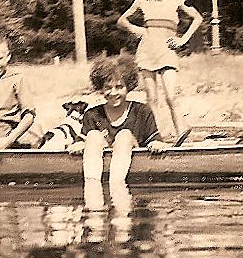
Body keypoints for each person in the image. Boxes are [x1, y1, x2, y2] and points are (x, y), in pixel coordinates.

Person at [117, 0, 203, 144]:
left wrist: (183, 39)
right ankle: (155, 137)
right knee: (151, 98)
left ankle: (182, 135)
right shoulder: (142, 1)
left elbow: (198, 18)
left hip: (168, 51)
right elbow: (121, 21)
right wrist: (136, 29)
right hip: (147, 51)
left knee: (171, 96)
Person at [68, 56, 170, 200]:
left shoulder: (141, 111)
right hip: (97, 160)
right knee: (93, 136)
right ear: (100, 89)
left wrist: (156, 144)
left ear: (128, 86)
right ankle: (92, 191)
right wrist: (78, 144)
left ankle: (117, 190)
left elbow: (154, 139)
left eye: (119, 87)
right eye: (108, 88)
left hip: (125, 158)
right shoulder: (92, 114)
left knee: (124, 135)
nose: (113, 93)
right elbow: (81, 140)